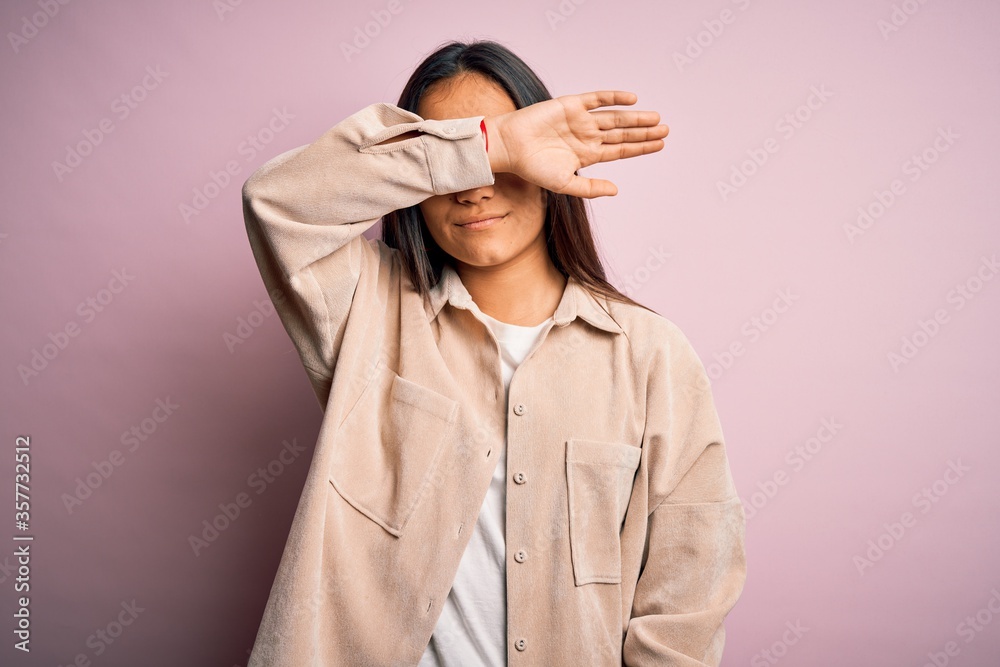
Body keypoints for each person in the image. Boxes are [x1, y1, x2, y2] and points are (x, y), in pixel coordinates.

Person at [241, 39, 746, 666]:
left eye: (504, 158)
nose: (476, 190)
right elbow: (276, 202)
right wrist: (492, 146)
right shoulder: (365, 305)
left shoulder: (649, 354)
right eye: (459, 158)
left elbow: (691, 586)